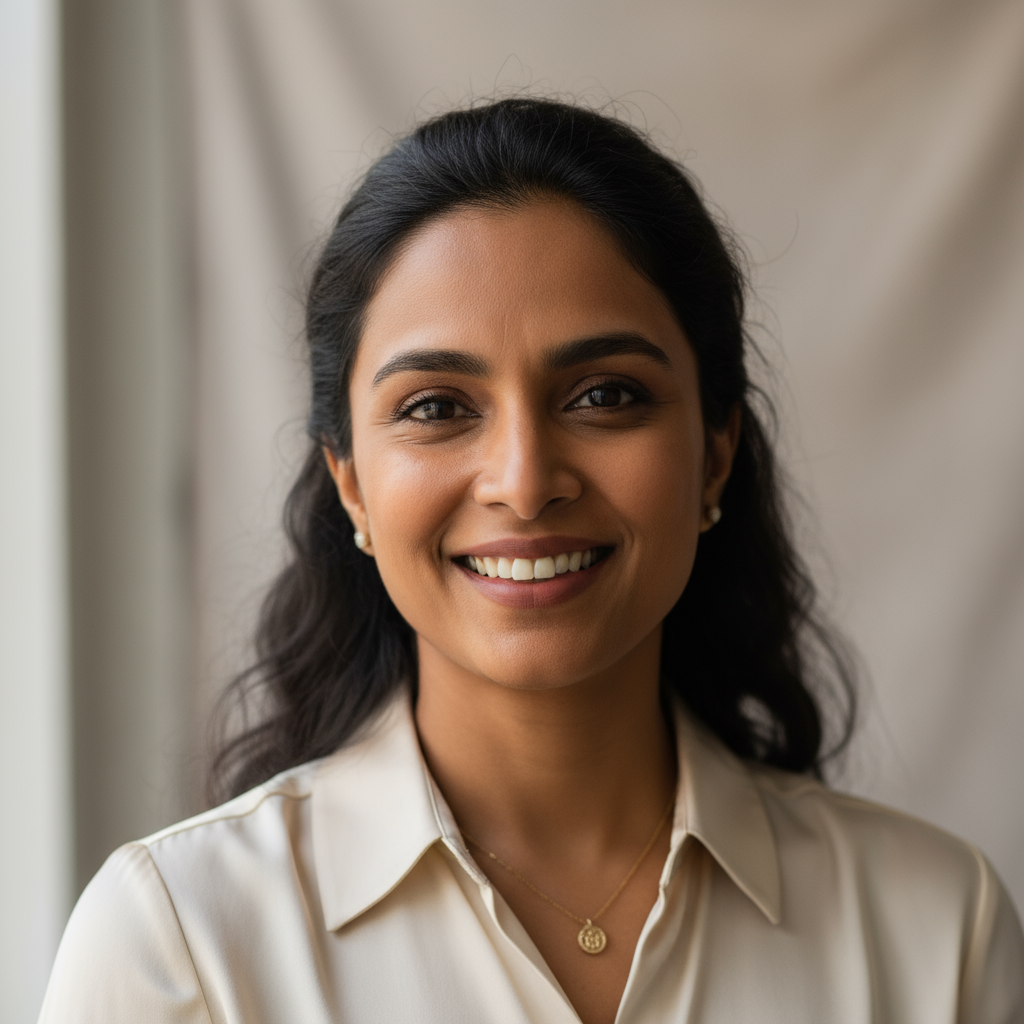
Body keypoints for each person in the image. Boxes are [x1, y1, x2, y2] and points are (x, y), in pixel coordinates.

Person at [39, 98, 1024, 1024]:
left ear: (714, 450)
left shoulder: (938, 932)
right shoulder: (185, 943)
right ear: (350, 484)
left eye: (604, 395)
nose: (522, 479)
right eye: (435, 407)